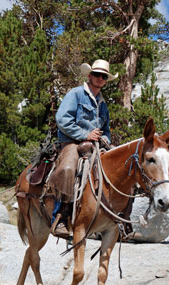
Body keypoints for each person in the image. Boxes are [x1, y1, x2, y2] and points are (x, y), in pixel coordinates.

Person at [49, 59, 118, 239]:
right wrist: (85, 135)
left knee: (121, 166)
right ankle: (60, 216)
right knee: (68, 168)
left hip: (96, 145)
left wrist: (106, 142)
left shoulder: (102, 103)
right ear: (89, 75)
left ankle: (116, 217)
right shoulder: (76, 94)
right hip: (71, 142)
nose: (100, 78)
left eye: (104, 76)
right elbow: (62, 119)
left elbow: (107, 130)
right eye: (97, 74)